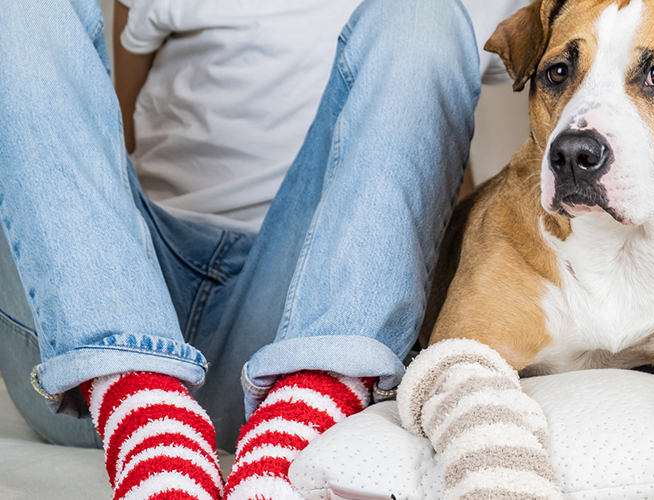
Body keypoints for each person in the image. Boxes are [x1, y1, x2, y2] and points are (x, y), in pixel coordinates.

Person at [0, 0, 510, 498]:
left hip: (304, 316)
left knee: (425, 15)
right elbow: (94, 128)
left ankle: (307, 401)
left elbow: (433, 170)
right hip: (119, 290)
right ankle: (137, 395)